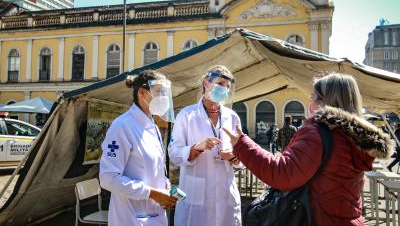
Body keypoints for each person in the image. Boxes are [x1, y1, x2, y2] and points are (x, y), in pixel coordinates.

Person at [223, 73, 393, 226]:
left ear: (324, 102)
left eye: (313, 97)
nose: (309, 102)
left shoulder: (318, 132)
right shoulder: (355, 138)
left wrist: (242, 144)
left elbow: (283, 173)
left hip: (316, 218)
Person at [99, 70, 177, 226]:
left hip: (155, 215)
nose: (163, 98)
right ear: (142, 92)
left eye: (164, 92)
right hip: (130, 218)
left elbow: (151, 167)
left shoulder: (152, 126)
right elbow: (108, 178)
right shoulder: (122, 126)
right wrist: (151, 193)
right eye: (159, 92)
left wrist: (164, 183)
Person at [168, 65, 242, 226]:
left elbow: (242, 155)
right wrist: (196, 148)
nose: (224, 89)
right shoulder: (186, 115)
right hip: (195, 197)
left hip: (225, 195)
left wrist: (235, 157)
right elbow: (173, 154)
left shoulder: (232, 117)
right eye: (220, 83)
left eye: (227, 87)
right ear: (206, 83)